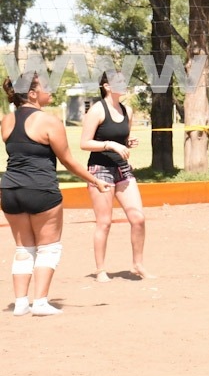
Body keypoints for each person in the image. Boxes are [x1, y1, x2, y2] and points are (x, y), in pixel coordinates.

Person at [2, 71, 111, 316]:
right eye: (46, 86)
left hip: (10, 189)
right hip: (41, 189)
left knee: (23, 249)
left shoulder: (6, 121)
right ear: (32, 94)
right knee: (48, 248)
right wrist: (96, 181)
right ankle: (39, 302)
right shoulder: (49, 121)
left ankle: (20, 303)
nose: (51, 89)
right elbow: (69, 161)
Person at [80, 70, 149, 282]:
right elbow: (84, 143)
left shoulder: (127, 110)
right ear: (107, 86)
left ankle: (137, 265)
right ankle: (101, 270)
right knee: (105, 222)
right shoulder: (97, 110)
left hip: (122, 169)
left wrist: (128, 143)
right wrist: (109, 144)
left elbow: (122, 139)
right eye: (118, 81)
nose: (123, 83)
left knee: (138, 218)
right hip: (100, 170)